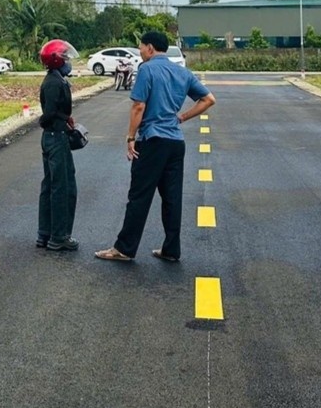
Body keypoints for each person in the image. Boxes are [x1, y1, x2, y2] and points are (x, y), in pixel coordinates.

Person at [95, 31, 215, 263]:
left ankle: (124, 249)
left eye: (140, 47)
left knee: (139, 196)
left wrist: (130, 137)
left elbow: (138, 106)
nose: (139, 51)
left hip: (152, 140)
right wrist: (182, 118)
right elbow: (209, 99)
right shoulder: (182, 72)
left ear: (150, 48)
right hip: (175, 142)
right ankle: (171, 249)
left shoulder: (147, 69)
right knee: (172, 197)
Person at [36, 38, 80, 252]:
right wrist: (57, 120)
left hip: (51, 135)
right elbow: (50, 112)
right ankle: (59, 236)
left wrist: (65, 118)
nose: (68, 61)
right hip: (55, 136)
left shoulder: (53, 79)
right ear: (56, 60)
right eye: (64, 57)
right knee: (63, 187)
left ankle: (44, 234)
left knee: (50, 186)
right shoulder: (55, 82)